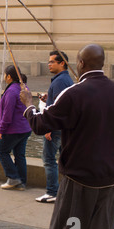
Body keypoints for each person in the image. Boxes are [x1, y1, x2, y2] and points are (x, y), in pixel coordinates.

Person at [20, 44, 114, 229]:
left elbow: (41, 125)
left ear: (81, 63)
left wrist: (29, 105)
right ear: (102, 63)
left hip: (80, 180)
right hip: (109, 180)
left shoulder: (74, 93)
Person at [35, 51, 73, 203]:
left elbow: (59, 109)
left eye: (52, 62)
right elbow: (60, 102)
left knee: (49, 159)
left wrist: (49, 128)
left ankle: (52, 192)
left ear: (62, 63)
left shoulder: (59, 82)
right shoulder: (65, 80)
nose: (49, 64)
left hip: (55, 128)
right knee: (64, 160)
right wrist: (47, 98)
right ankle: (64, 191)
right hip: (63, 128)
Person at [0, 65, 32, 190]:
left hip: (14, 129)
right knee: (20, 155)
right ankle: (21, 182)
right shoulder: (23, 87)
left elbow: (7, 115)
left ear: (9, 76)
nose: (4, 77)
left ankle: (13, 178)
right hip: (25, 128)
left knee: (2, 151)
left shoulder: (11, 91)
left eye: (5, 75)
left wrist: (1, 130)